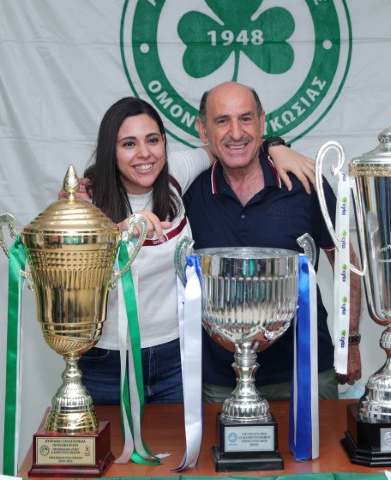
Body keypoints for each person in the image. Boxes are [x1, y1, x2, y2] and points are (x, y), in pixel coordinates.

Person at [67, 97, 317, 404]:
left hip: (176, 357)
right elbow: (73, 286)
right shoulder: (85, 204)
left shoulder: (174, 175)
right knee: (109, 438)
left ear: (164, 143)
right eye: (129, 144)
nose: (144, 153)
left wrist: (275, 147)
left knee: (178, 438)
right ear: (111, 150)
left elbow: (228, 144)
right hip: (107, 361)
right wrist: (117, 233)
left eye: (152, 140)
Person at [183, 82, 362, 401]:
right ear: (203, 129)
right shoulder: (189, 192)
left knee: (320, 439)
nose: (236, 132)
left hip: (305, 369)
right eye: (222, 120)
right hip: (220, 379)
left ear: (262, 122)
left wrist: (351, 341)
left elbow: (346, 263)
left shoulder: (305, 184)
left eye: (246, 118)